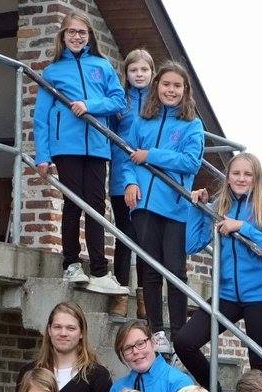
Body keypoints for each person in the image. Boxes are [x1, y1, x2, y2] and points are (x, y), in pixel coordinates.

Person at [176, 152, 262, 392]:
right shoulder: (218, 205)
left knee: (259, 363)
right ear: (227, 177)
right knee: (184, 341)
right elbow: (191, 245)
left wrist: (242, 227)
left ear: (256, 179)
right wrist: (198, 209)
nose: (241, 178)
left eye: (248, 174)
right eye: (236, 173)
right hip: (225, 294)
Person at [33, 10, 127, 296]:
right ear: (63, 36)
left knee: (96, 207)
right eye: (71, 32)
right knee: (73, 203)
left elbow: (118, 101)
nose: (77, 37)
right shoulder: (52, 71)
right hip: (66, 147)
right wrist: (42, 156)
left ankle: (99, 271)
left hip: (97, 147)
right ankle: (72, 264)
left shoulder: (102, 65)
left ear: (89, 36)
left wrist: (89, 105)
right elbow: (41, 117)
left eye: (82, 32)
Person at [123, 61, 204, 354]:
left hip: (174, 207)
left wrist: (151, 155)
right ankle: (156, 331)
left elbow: (190, 162)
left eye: (177, 86)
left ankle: (180, 334)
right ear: (157, 86)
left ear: (185, 90)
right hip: (143, 204)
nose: (171, 90)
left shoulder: (192, 125)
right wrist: (130, 182)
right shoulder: (142, 121)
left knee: (175, 272)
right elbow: (128, 157)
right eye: (166, 84)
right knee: (150, 270)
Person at [108, 48, 155, 318]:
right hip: (120, 174)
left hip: (148, 176)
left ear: (152, 73)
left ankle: (145, 297)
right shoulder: (120, 101)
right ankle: (121, 294)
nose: (139, 74)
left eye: (144, 70)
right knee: (124, 236)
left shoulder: (158, 102)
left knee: (145, 238)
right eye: (133, 70)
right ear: (126, 74)